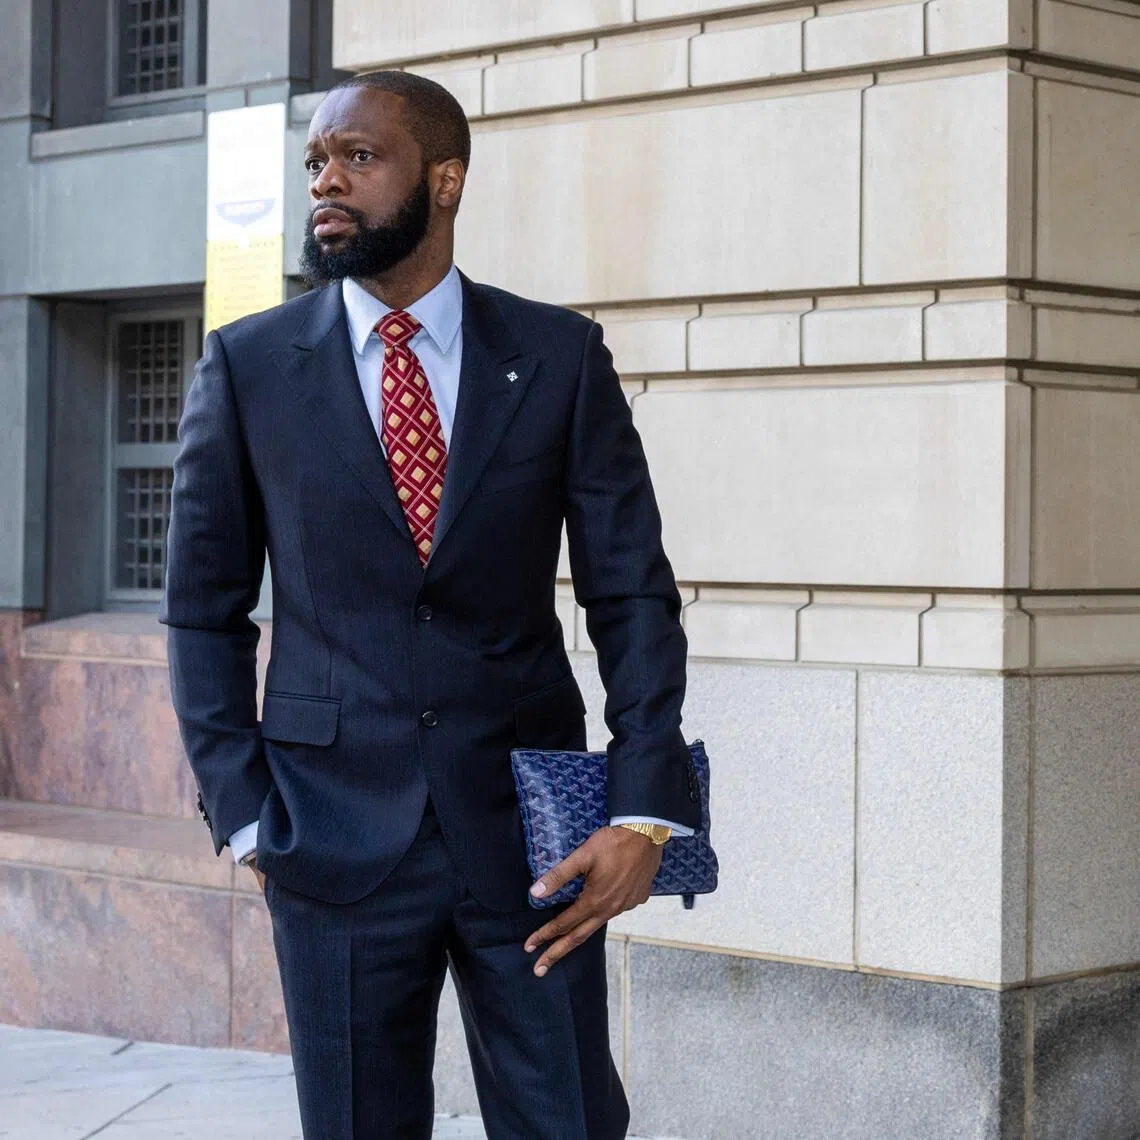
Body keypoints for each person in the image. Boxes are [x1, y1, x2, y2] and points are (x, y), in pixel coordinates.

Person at [161, 70, 700, 1140]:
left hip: (535, 842)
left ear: (443, 179)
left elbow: (632, 592)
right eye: (317, 160)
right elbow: (200, 611)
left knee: (571, 1121)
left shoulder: (556, 356)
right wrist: (246, 813)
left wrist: (644, 810)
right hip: (328, 835)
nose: (328, 180)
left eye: (358, 157)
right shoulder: (250, 366)